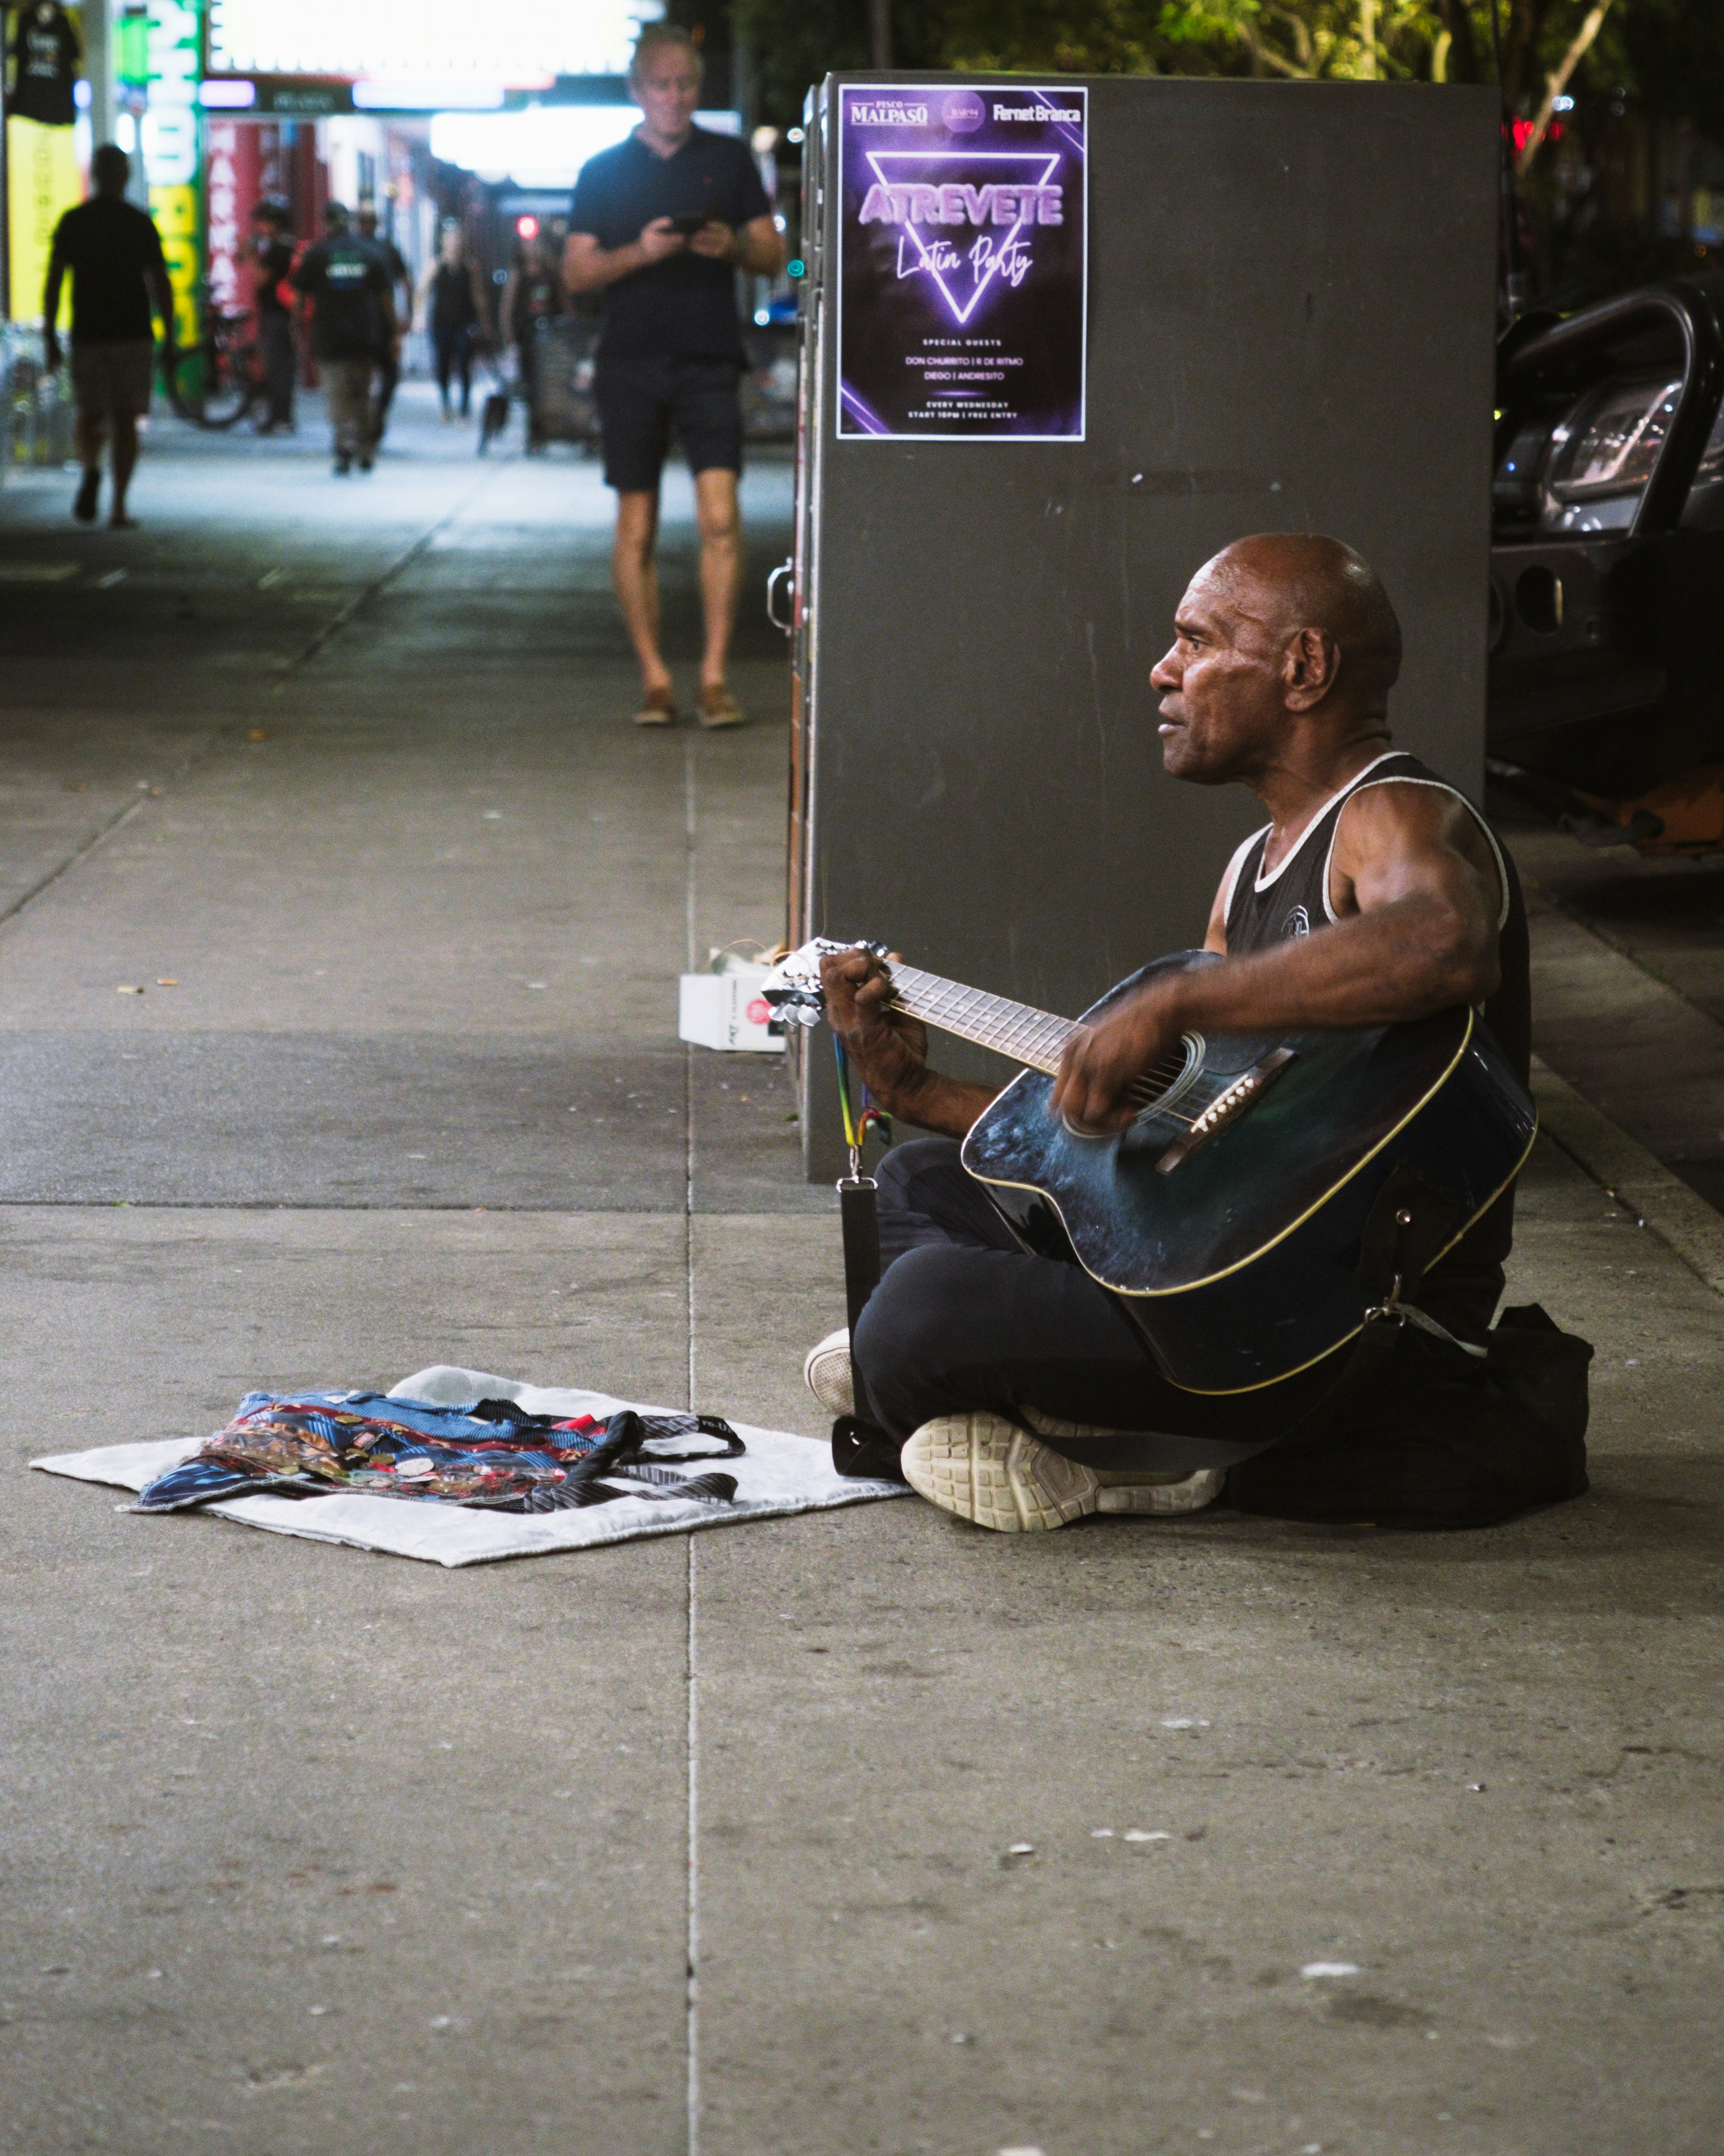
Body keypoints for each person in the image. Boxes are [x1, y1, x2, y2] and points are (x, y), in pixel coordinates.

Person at [808, 535, 1531, 1532]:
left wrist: (1175, 1003)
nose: (1162, 669)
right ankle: (1060, 1424)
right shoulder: (1247, 873)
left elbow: (1446, 942)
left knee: (917, 1311)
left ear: (1304, 668)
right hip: (1220, 1280)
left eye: (1194, 640)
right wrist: (919, 1096)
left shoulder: (1395, 813)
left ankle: (1087, 1436)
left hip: (1332, 1334)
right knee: (916, 1184)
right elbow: (1161, 1142)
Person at [563, 23, 787, 729]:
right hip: (629, 361)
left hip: (710, 356)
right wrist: (644, 251)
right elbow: (577, 272)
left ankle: (715, 677)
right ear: (637, 90)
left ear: (699, 87)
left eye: (686, 83)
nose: (674, 96)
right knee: (638, 525)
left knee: (721, 516)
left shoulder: (728, 158)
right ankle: (656, 678)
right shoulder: (602, 170)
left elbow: (774, 252)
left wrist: (733, 245)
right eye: (660, 84)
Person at [42, 143, 174, 529]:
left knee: (90, 412)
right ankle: (118, 505)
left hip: (88, 333)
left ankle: (91, 469)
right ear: (126, 175)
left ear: (95, 174)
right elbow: (160, 282)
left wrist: (51, 333)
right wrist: (169, 337)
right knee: (126, 419)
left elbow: (55, 281)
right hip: (133, 333)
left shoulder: (74, 221)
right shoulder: (139, 222)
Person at [290, 201, 396, 477]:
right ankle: (364, 448)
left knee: (338, 395)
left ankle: (345, 447)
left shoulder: (318, 254)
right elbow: (387, 298)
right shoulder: (370, 252)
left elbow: (301, 297)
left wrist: (297, 328)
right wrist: (393, 333)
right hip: (365, 335)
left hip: (330, 336)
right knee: (361, 394)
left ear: (326, 223)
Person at [501, 229, 564, 449]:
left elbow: (562, 299)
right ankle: (534, 431)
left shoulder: (550, 271)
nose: (532, 249)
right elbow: (508, 309)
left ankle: (547, 429)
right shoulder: (518, 274)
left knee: (549, 384)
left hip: (549, 337)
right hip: (526, 338)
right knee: (531, 385)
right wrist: (510, 341)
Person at [356, 203, 411, 441]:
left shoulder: (354, 249)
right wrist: (406, 314)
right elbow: (406, 283)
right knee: (388, 372)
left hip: (360, 321)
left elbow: (406, 283)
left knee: (364, 374)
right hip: (382, 321)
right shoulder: (386, 249)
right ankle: (375, 415)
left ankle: (367, 419)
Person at [418, 221, 484, 422]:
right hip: (441, 322)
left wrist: (483, 320)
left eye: (458, 240)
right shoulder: (436, 266)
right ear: (444, 242)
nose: (455, 244)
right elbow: (422, 292)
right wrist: (419, 316)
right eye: (451, 240)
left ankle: (464, 407)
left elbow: (477, 295)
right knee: (443, 363)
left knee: (465, 361)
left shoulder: (470, 267)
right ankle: (445, 402)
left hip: (464, 321)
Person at [249, 199, 297, 434]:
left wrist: (250, 257)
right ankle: (284, 416)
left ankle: (279, 417)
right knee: (284, 367)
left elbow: (261, 279)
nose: (260, 228)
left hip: (276, 315)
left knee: (277, 367)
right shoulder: (290, 246)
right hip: (287, 314)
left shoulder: (277, 249)